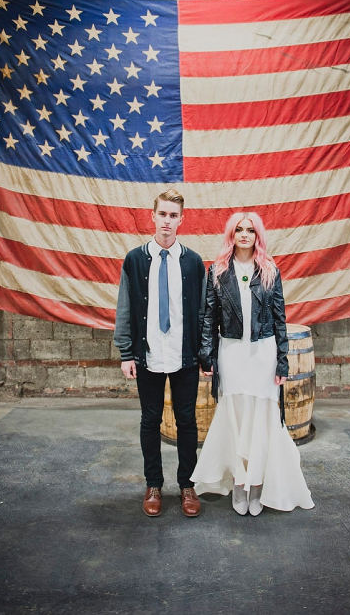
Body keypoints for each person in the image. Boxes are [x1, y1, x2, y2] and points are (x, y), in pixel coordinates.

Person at [192, 212, 314, 515]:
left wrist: (282, 361)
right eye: (239, 230)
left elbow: (279, 318)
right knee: (236, 416)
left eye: (250, 230)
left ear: (257, 235)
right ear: (231, 235)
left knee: (261, 417)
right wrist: (206, 354)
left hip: (263, 353)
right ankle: (238, 483)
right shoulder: (218, 271)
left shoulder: (270, 270)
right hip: (232, 353)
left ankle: (257, 484)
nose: (244, 234)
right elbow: (209, 317)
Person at [114, 189, 206, 517]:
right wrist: (126, 352)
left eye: (173, 215)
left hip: (184, 356)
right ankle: (153, 483)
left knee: (186, 421)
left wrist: (205, 354)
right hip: (149, 356)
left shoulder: (193, 262)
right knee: (150, 420)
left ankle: (187, 485)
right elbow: (125, 308)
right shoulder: (136, 260)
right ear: (152, 216)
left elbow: (202, 314)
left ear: (182, 219)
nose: (167, 221)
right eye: (162, 214)